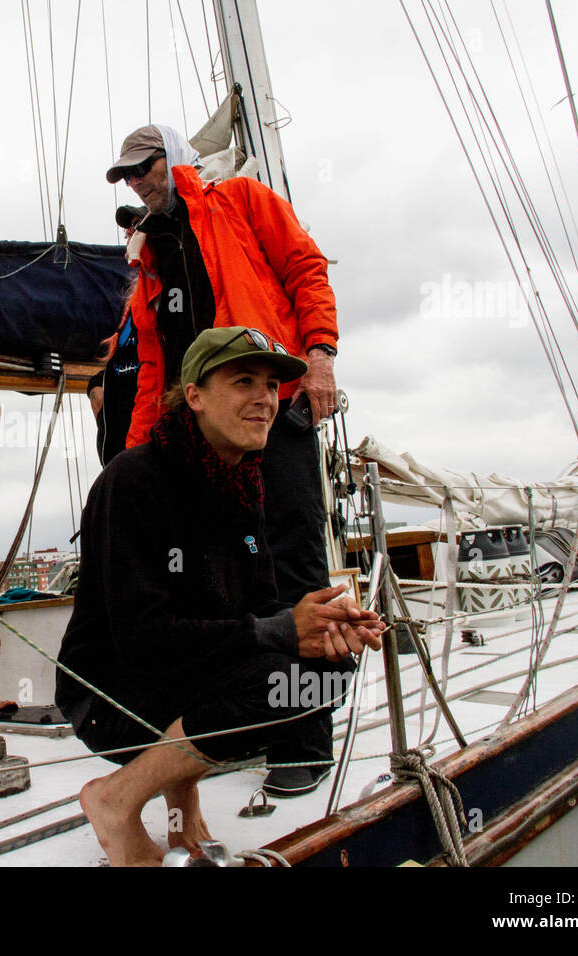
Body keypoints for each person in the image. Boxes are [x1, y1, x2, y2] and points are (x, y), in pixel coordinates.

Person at [56, 327, 384, 866]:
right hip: (108, 696)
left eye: (273, 385)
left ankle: (180, 802)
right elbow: (142, 641)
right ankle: (115, 800)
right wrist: (278, 631)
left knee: (323, 673)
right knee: (279, 680)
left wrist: (323, 625)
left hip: (178, 676)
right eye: (244, 381)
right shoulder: (133, 480)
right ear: (195, 396)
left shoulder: (241, 483)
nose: (265, 398)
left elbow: (249, 614)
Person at [106, 123, 341, 794]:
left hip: (274, 408)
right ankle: (249, 723)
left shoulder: (239, 200)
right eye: (123, 175)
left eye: (143, 167)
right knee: (224, 582)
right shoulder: (150, 258)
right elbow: (156, 364)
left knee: (295, 563)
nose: (134, 181)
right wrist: (138, 455)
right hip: (200, 435)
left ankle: (305, 741)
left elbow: (305, 267)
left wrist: (319, 353)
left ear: (174, 159)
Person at [88, 205, 143, 466]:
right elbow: (124, 362)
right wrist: (96, 387)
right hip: (120, 458)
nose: (130, 233)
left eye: (138, 225)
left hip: (149, 453)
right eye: (127, 231)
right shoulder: (132, 305)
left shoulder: (174, 293)